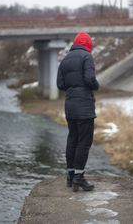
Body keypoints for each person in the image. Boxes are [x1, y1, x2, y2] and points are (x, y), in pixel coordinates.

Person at [57, 32, 99, 192]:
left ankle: (71, 176)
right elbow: (90, 79)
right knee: (84, 141)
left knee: (72, 138)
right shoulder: (86, 57)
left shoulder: (65, 59)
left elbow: (60, 84)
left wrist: (73, 86)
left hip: (70, 105)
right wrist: (96, 85)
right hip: (84, 106)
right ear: (88, 45)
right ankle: (79, 177)